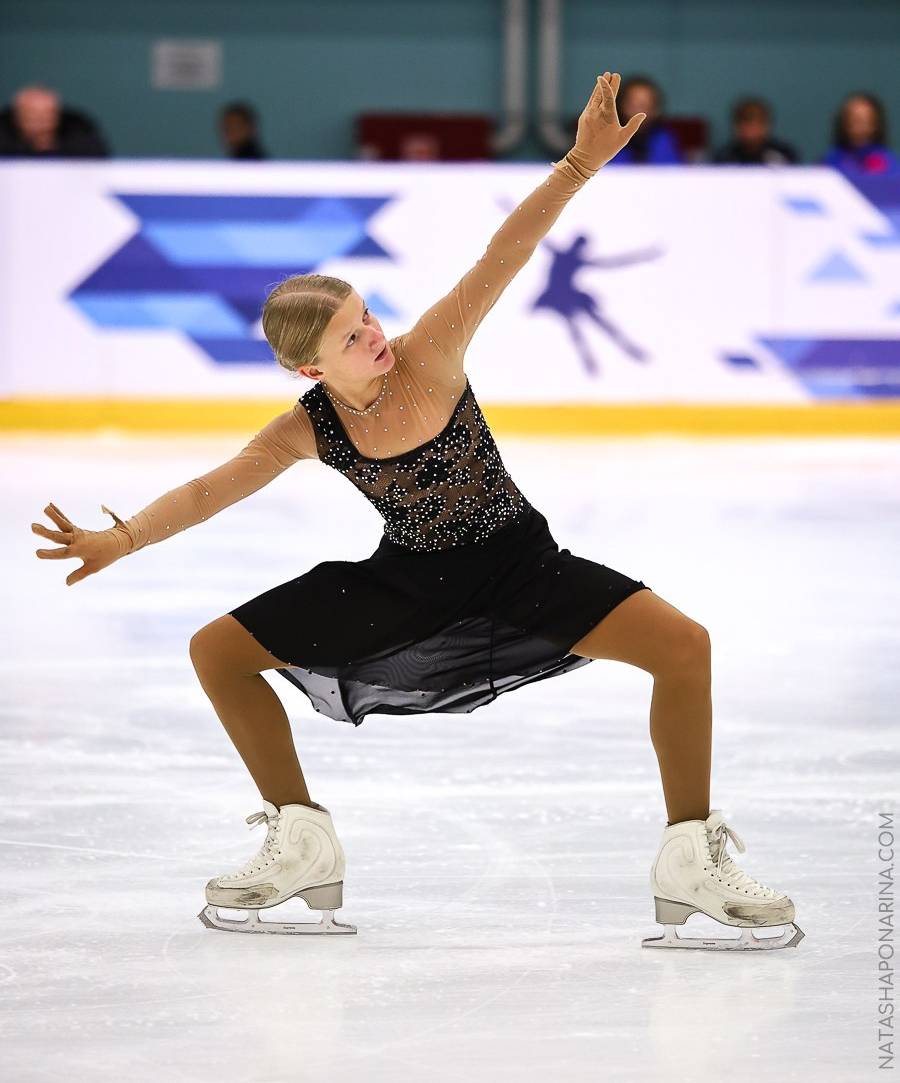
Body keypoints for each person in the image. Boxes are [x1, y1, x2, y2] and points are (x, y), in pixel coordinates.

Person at [32, 72, 801, 950]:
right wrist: (123, 537)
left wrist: (580, 165)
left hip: (523, 564)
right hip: (410, 584)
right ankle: (300, 838)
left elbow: (502, 255)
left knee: (684, 646)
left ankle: (689, 859)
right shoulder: (306, 429)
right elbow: (214, 489)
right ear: (311, 371)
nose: (377, 337)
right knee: (216, 650)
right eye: (353, 338)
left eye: (368, 314)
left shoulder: (431, 352)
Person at [0, 86, 109, 158]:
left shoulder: (77, 131)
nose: (40, 123)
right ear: (16, 116)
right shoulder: (4, 135)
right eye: (31, 116)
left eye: (46, 115)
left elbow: (96, 159)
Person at [604, 76, 682, 166]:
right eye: (633, 105)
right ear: (619, 106)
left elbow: (673, 172)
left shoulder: (664, 139)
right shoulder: (607, 140)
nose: (639, 112)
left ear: (656, 109)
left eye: (645, 105)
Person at [824, 92, 899, 177]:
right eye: (852, 119)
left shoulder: (886, 162)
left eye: (863, 120)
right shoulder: (831, 160)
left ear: (875, 124)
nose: (857, 125)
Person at [714, 97, 798, 166]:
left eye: (756, 125)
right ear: (736, 127)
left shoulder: (782, 155)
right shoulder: (726, 156)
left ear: (766, 126)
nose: (751, 131)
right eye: (746, 124)